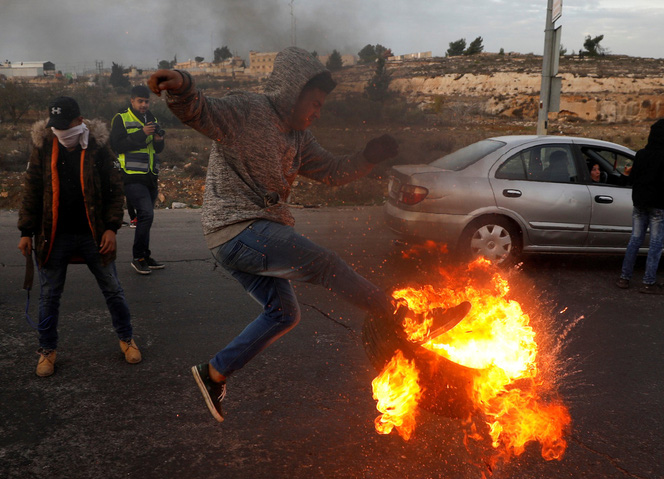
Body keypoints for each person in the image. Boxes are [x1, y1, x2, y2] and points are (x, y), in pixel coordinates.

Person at [147, 47, 470, 422]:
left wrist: (367, 157)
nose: (317, 112)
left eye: (321, 105)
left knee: (284, 314)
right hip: (237, 228)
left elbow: (332, 171)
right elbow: (199, 110)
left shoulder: (300, 138)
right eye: (314, 103)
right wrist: (182, 84)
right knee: (324, 262)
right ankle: (406, 317)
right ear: (291, 92)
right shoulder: (247, 111)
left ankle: (214, 373)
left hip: (250, 236)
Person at [17, 96, 141, 377]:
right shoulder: (44, 145)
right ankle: (47, 350)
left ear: (79, 121)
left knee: (113, 290)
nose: (60, 131)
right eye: (55, 126)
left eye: (65, 125)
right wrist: (26, 232)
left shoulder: (97, 146)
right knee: (49, 296)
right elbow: (32, 190)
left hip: (94, 234)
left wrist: (111, 227)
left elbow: (114, 188)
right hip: (53, 235)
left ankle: (126, 339)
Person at [616, 118, 664, 294]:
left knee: (635, 241)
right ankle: (648, 282)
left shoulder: (641, 154)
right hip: (658, 206)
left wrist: (626, 174)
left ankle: (624, 278)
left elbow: (633, 179)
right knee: (655, 244)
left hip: (639, 204)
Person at [110, 85, 166, 275]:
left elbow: (157, 150)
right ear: (132, 101)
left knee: (145, 218)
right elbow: (116, 145)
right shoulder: (121, 119)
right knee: (146, 214)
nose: (144, 105)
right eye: (140, 101)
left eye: (146, 101)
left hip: (150, 176)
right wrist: (142, 133)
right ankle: (138, 257)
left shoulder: (153, 119)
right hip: (131, 176)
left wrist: (159, 140)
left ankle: (145, 255)